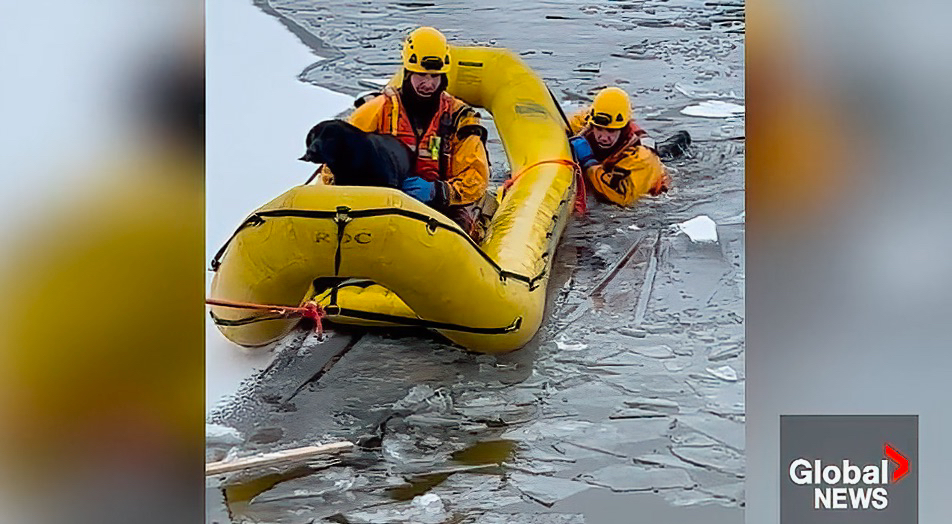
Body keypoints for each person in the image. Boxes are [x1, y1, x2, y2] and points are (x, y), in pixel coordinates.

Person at [311, 27, 490, 235]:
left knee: (462, 227)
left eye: (435, 76)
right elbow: (334, 165)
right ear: (408, 73)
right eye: (421, 75)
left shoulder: (459, 118)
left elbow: (475, 176)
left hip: (439, 208)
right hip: (378, 204)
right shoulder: (377, 111)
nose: (428, 84)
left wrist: (438, 191)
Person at [568, 87, 689, 207]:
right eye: (599, 129)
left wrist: (589, 162)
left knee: (664, 156)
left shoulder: (641, 157)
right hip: (613, 164)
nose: (604, 137)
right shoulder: (590, 120)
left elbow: (619, 196)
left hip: (645, 178)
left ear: (623, 128)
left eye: (611, 131)